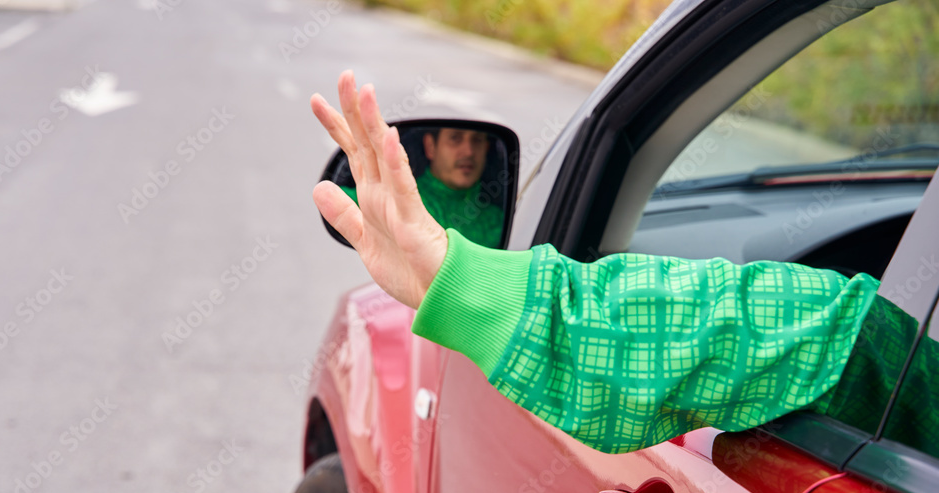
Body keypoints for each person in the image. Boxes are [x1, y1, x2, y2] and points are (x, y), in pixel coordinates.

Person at [309, 71, 936, 456]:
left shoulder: (891, 360)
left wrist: (469, 287)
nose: (471, 153)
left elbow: (827, 337)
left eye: (477, 141)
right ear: (430, 151)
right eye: (457, 141)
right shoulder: (433, 203)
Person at [337, 126, 504, 248]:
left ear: (486, 149)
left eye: (477, 140)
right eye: (455, 138)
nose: (468, 151)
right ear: (430, 146)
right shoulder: (400, 198)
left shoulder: (497, 219)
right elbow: (340, 200)